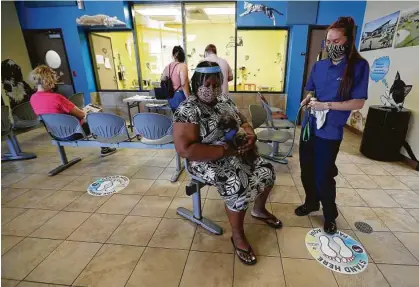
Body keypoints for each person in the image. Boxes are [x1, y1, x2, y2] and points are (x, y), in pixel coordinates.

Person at [173, 61, 281, 265]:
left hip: (234, 150)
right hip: (204, 159)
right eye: (207, 85)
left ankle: (258, 210)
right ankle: (238, 235)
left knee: (267, 170)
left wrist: (250, 135)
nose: (211, 90)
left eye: (216, 85)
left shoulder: (224, 101)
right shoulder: (188, 109)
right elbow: (185, 150)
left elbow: (244, 122)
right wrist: (226, 150)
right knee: (238, 185)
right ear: (197, 83)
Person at [295, 17, 369, 234]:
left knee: (324, 175)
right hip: (310, 127)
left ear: (348, 41)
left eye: (336, 41)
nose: (331, 46)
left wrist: (326, 105)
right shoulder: (319, 65)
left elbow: (358, 102)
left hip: (330, 131)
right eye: (329, 41)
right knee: (307, 170)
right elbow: (312, 90)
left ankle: (330, 215)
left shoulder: (358, 67)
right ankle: (311, 203)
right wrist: (309, 99)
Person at [29, 65, 116, 157]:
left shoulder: (33, 99)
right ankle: (105, 148)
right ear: (49, 79)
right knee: (96, 120)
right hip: (74, 133)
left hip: (55, 134)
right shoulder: (57, 98)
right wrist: (87, 111)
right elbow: (81, 115)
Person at [161, 46, 190, 111]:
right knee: (184, 119)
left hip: (171, 97)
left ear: (173, 55)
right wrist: (189, 100)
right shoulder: (182, 66)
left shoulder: (167, 67)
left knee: (176, 118)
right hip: (180, 96)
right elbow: (183, 84)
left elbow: (162, 80)